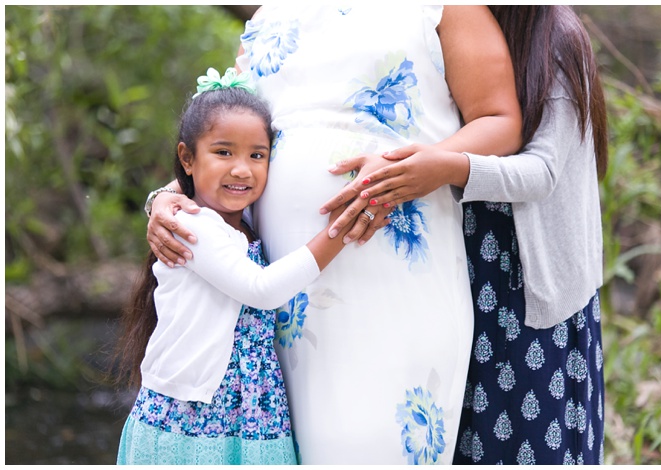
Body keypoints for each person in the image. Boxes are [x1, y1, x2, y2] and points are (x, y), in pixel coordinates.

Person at [145, 5, 522, 464]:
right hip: (275, 300)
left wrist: (426, 166)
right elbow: (226, 126)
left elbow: (501, 121)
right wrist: (167, 196)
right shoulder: (270, 12)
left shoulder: (447, 7)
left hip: (390, 276)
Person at [322, 5, 608, 465]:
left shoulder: (555, 39)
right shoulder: (442, 24)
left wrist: (442, 166)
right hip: (463, 280)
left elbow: (544, 172)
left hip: (531, 291)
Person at [114, 68, 362, 465]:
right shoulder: (192, 225)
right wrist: (341, 231)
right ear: (187, 158)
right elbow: (260, 289)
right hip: (194, 414)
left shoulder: (242, 224)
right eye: (224, 152)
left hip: (250, 410)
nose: (242, 169)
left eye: (257, 155)